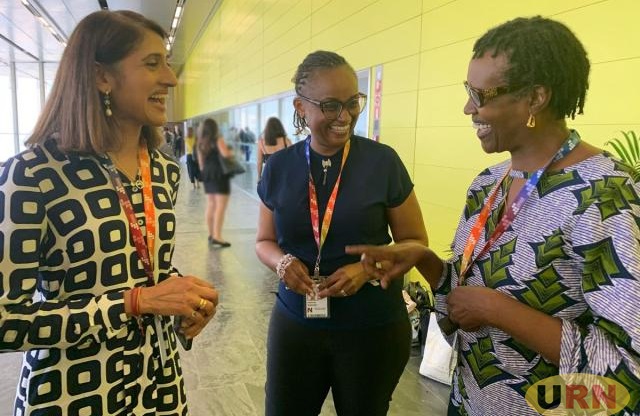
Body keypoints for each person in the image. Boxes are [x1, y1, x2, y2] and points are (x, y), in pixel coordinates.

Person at [347, 16, 640, 416]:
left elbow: (627, 366)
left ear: (535, 98)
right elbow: (465, 300)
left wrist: (498, 311)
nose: (468, 108)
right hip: (469, 401)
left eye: (479, 95)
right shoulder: (488, 183)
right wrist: (425, 261)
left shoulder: (607, 195)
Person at [0, 10, 220, 415]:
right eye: (152, 64)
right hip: (73, 393)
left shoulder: (164, 169)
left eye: (167, 63)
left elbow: (145, 266)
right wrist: (133, 303)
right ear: (102, 77)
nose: (170, 79)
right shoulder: (32, 175)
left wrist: (182, 298)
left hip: (158, 386)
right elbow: (5, 320)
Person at [255, 50, 428, 416]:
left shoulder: (382, 162)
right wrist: (282, 262)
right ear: (301, 107)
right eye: (330, 105)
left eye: (352, 103)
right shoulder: (279, 167)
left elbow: (415, 242)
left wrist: (367, 269)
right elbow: (264, 241)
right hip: (296, 323)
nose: (345, 116)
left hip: (371, 326)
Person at [197, 118, 233, 247]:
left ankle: (211, 234)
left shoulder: (201, 142)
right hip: (219, 173)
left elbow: (201, 163)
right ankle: (217, 236)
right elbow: (226, 154)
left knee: (211, 204)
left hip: (207, 173)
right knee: (220, 207)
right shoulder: (218, 139)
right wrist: (231, 152)